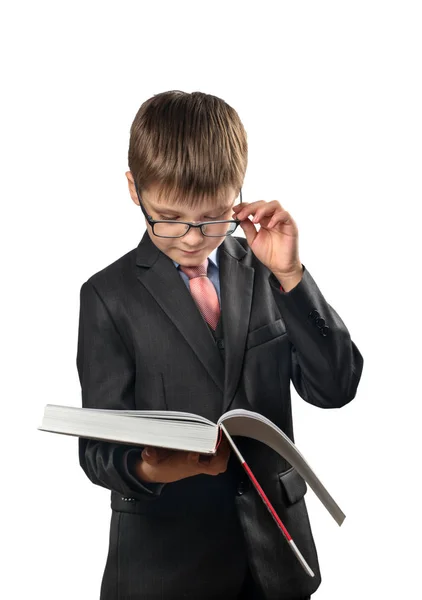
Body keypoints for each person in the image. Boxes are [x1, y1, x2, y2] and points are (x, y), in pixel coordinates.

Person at [76, 90, 364, 600]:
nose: (191, 237)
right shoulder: (107, 295)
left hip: (277, 559)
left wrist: (292, 276)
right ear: (133, 190)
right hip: (163, 566)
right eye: (168, 217)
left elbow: (335, 388)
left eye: (212, 218)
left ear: (238, 197)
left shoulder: (268, 271)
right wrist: (152, 465)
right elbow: (98, 449)